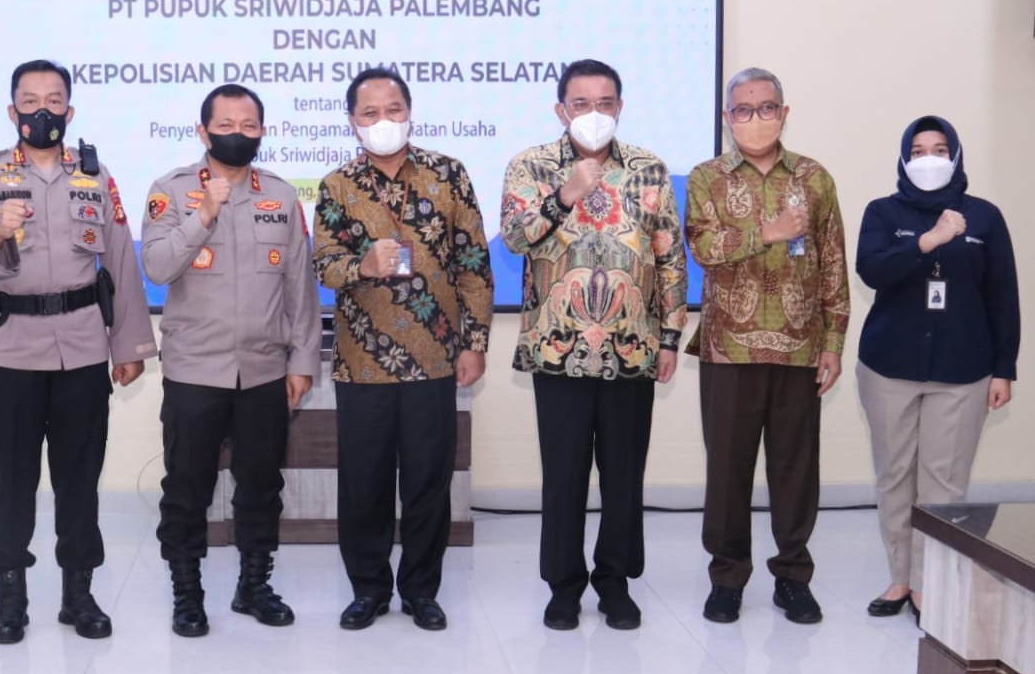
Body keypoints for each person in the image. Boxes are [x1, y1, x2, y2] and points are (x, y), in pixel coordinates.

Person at [0, 60, 156, 644]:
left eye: (53, 99)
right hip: (13, 349)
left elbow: (119, 259)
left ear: (70, 111)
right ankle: (10, 596)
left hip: (84, 347)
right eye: (29, 99)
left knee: (79, 478)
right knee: (11, 479)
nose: (41, 110)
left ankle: (79, 593)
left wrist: (131, 344)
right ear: (11, 110)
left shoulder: (95, 175)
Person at [500, 59, 688, 632]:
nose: (594, 114)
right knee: (564, 476)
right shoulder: (531, 166)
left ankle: (614, 582)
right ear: (561, 110)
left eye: (605, 103)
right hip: (556, 348)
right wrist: (565, 194)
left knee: (624, 475)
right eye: (581, 104)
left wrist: (671, 337)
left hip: (633, 347)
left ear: (620, 108)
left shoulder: (650, 169)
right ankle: (564, 586)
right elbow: (513, 237)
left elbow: (670, 257)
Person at [313, 67, 493, 632]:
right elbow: (322, 264)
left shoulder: (449, 174)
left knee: (427, 482)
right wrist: (359, 265)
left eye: (393, 110)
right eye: (369, 113)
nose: (382, 122)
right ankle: (368, 589)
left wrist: (476, 342)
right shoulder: (336, 185)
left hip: (437, 358)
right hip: (362, 362)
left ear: (410, 113)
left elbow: (473, 264)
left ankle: (421, 589)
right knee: (362, 484)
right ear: (352, 122)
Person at [140, 83, 321, 637]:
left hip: (265, 370)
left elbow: (299, 287)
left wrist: (302, 362)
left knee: (262, 486)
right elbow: (156, 266)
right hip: (196, 369)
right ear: (202, 131)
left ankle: (253, 585)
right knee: (187, 486)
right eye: (225, 124)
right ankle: (188, 593)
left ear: (262, 131)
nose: (236, 134)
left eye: (248, 125)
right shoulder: (170, 191)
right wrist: (204, 215)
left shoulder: (283, 196)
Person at [685, 67, 850, 625]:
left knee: (795, 469)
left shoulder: (815, 178)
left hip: (802, 348)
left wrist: (834, 341)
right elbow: (703, 248)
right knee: (727, 470)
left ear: (784, 112)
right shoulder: (707, 177)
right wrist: (769, 232)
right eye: (743, 109)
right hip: (727, 348)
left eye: (766, 107)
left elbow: (832, 264)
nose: (755, 118)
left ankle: (793, 578)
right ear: (727, 118)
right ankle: (727, 579)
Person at [855, 115, 1019, 619]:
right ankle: (901, 578)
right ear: (905, 159)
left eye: (940, 149)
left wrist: (1003, 367)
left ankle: (930, 585)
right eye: (920, 150)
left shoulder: (985, 217)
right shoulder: (883, 212)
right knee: (895, 477)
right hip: (889, 366)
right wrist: (926, 241)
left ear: (957, 156)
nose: (930, 159)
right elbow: (872, 268)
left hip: (963, 370)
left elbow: (1003, 297)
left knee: (944, 484)